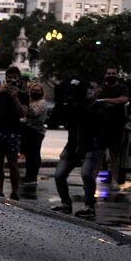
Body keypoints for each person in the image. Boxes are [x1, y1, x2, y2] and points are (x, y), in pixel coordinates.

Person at [52, 81, 107, 219]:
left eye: (92, 88)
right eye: (86, 88)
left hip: (92, 147)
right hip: (72, 146)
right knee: (59, 175)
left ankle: (89, 206)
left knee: (87, 175)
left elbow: (95, 119)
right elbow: (58, 119)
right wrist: (62, 100)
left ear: (98, 91)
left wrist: (79, 104)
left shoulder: (100, 107)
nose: (88, 91)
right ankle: (66, 204)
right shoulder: (74, 106)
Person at [0, 68, 26, 199]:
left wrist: (15, 98)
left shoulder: (22, 94)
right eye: (9, 77)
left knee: (12, 163)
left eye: (14, 77)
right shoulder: (0, 93)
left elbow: (22, 114)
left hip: (13, 132)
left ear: (19, 78)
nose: (11, 80)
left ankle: (15, 191)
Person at [96, 66, 130, 184]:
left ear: (117, 75)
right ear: (105, 75)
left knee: (115, 155)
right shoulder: (100, 87)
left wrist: (104, 100)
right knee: (99, 154)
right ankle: (95, 179)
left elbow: (123, 100)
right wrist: (114, 101)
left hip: (117, 126)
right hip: (101, 126)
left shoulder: (122, 87)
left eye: (113, 73)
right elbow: (95, 100)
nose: (111, 75)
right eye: (109, 73)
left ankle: (115, 180)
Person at [22, 83, 49, 184]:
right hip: (27, 130)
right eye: (34, 90)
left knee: (34, 154)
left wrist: (24, 107)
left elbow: (33, 113)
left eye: (38, 91)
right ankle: (28, 175)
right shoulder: (29, 101)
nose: (36, 92)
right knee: (28, 154)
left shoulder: (42, 103)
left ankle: (32, 176)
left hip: (36, 131)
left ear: (42, 92)